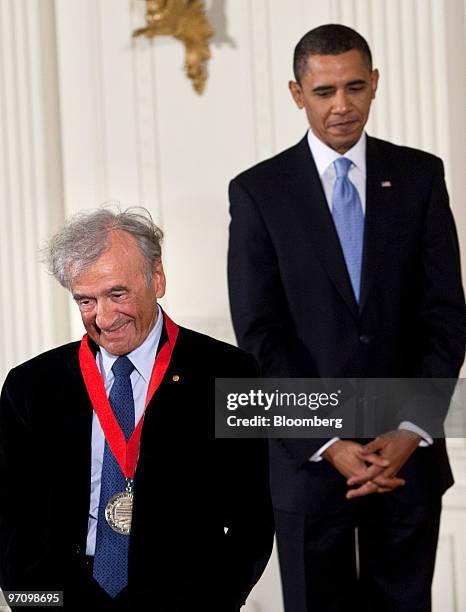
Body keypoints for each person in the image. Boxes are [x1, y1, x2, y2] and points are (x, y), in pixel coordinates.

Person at [228, 24, 466, 612]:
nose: (342, 106)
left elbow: (445, 316)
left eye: (355, 87)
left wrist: (410, 431)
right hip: (308, 463)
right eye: (324, 91)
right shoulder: (259, 191)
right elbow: (259, 335)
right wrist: (329, 440)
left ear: (375, 83)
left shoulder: (420, 176)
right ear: (296, 92)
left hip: (407, 459)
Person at [0, 207, 274, 611]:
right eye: (86, 300)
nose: (105, 318)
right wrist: (36, 605)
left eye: (117, 293)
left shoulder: (229, 373)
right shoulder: (31, 386)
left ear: (157, 279)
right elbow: (11, 522)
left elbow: (251, 521)